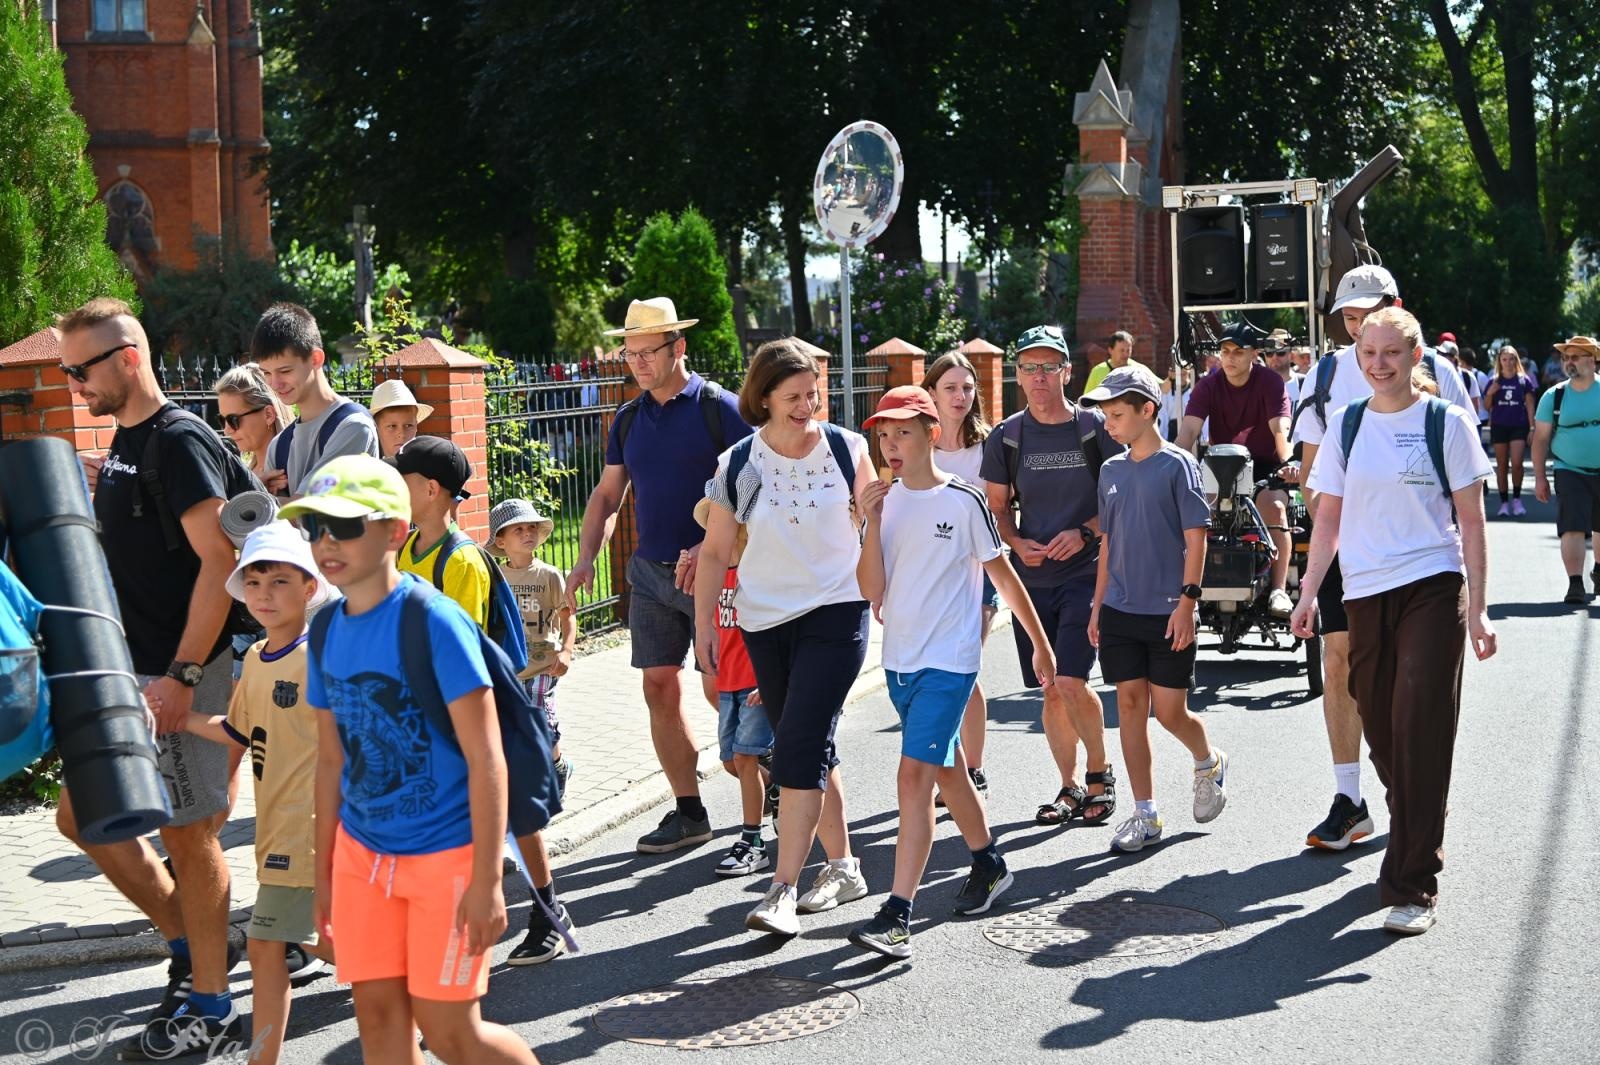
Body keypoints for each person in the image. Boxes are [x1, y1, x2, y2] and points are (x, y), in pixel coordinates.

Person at [289, 456, 540, 1065]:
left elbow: (486, 759)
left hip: (445, 861)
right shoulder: (323, 631)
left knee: (452, 1034)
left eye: (345, 526)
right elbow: (330, 763)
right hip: (361, 861)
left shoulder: (433, 620)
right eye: (315, 527)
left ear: (394, 532)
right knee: (377, 1022)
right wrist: (323, 876)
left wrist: (486, 881)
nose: (327, 542)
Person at [56, 298, 245, 1058]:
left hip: (185, 669)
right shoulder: (130, 441)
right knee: (82, 817)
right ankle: (192, 943)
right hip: (133, 671)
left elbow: (222, 560)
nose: (74, 384)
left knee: (188, 829)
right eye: (66, 370)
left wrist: (182, 674)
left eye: (83, 368)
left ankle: (215, 1003)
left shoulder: (180, 440)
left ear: (128, 357)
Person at [1291, 307, 1496, 935]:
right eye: (1369, 354)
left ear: (1416, 357)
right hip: (1364, 591)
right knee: (1381, 724)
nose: (1380, 365)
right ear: (1358, 358)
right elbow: (1327, 517)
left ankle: (1412, 883)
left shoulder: (1447, 423)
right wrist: (1306, 591)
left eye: (1392, 354)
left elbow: (1471, 522)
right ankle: (1414, 804)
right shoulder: (1347, 426)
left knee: (1418, 721)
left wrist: (1480, 608)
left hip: (1434, 585)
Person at [848, 387, 1056, 959]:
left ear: (931, 434)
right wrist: (867, 522)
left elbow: (1005, 578)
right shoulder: (881, 502)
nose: (891, 445)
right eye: (883, 434)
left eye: (904, 433)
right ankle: (989, 863)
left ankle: (896, 914)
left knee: (913, 778)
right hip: (900, 663)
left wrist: (1039, 644)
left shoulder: (963, 501)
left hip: (950, 660)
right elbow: (873, 591)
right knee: (947, 771)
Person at [693, 339, 875, 938]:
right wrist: (705, 636)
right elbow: (716, 551)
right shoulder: (740, 463)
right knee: (809, 739)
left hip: (837, 612)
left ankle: (782, 890)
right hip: (764, 622)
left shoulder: (849, 450)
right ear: (764, 397)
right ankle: (844, 866)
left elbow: (875, 530)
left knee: (797, 742)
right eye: (793, 397)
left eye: (813, 394)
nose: (807, 406)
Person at [567, 297, 753, 854]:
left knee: (724, 689)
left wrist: (707, 544)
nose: (639, 363)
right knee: (656, 686)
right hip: (649, 573)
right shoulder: (627, 419)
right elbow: (606, 496)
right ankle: (689, 811)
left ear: (680, 348)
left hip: (716, 575)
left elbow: (754, 486)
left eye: (649, 352)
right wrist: (585, 560)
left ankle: (761, 798)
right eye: (631, 353)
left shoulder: (719, 408)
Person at [178, 522, 334, 1065]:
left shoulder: (321, 657)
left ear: (310, 587)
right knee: (304, 946)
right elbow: (239, 730)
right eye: (255, 582)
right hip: (275, 834)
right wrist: (181, 717)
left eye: (280, 582)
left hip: (314, 835)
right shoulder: (259, 659)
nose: (264, 594)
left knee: (272, 948)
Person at [981, 325, 1121, 829]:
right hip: (1031, 582)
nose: (1039, 378)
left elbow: (1120, 502)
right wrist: (1016, 542)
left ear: (1067, 371)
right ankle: (1069, 787)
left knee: (1071, 679)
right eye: (1029, 368)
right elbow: (996, 509)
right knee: (1049, 688)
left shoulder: (1094, 429)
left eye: (1048, 367)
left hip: (1085, 574)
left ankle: (1101, 774)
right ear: (1018, 376)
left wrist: (1084, 533)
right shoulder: (1006, 437)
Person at [1085, 367, 1229, 853]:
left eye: (1118, 414)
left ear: (1149, 411)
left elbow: (1196, 538)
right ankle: (1144, 813)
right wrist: (1097, 605)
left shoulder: (1178, 466)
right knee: (1128, 706)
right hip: (1120, 610)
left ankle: (1207, 760)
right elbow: (1108, 544)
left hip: (1170, 610)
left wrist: (1188, 601)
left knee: (1169, 713)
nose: (1109, 424)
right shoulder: (1110, 471)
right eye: (1105, 415)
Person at [481, 498, 581, 965]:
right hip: (509, 674)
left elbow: (568, 613)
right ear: (500, 541)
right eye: (515, 530)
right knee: (534, 738)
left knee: (543, 727)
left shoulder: (549, 576)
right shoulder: (494, 577)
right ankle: (550, 766)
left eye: (531, 529)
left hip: (541, 666)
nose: (526, 536)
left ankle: (553, 766)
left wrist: (568, 649)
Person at [1177, 320, 1294, 617]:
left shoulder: (1270, 382)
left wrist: (1290, 462)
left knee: (1275, 509)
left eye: (1238, 351)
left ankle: (1278, 590)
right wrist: (1169, 464)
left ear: (1254, 353)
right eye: (1225, 350)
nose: (1230, 357)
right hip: (1220, 467)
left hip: (1265, 467)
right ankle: (1191, 587)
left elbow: (1280, 430)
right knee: (1196, 513)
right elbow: (1188, 433)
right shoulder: (1208, 385)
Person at [921, 352, 998, 796]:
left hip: (975, 571)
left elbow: (999, 509)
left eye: (967, 388)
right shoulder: (918, 442)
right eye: (950, 387)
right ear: (931, 392)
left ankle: (971, 769)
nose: (960, 396)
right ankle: (942, 764)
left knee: (963, 671)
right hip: (927, 574)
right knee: (934, 671)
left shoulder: (988, 444)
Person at [692, 497, 775, 878]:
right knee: (732, 762)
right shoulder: (713, 576)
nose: (716, 532)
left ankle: (753, 840)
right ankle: (779, 785)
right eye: (711, 524)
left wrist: (770, 678)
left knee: (744, 758)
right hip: (728, 683)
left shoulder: (757, 572)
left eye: (723, 523)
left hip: (755, 681)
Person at [251, 302, 379, 497]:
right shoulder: (278, 447)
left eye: (284, 371)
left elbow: (306, 511)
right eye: (266, 373)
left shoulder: (353, 426)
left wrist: (258, 499)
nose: (275, 384)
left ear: (316, 359)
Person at [1532, 335, 1600, 605]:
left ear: (1593, 360)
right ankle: (1575, 583)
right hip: (1569, 469)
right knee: (1572, 527)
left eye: (1575, 357)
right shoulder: (1554, 396)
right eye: (1565, 358)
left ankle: (1598, 568)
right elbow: (1540, 439)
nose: (1568, 362)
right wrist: (1539, 477)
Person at [215, 363, 294, 480]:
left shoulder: (297, 466)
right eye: (222, 420)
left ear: (269, 415)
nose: (227, 431)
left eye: (233, 420)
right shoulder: (240, 474)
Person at [1485, 345, 1538, 516]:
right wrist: (1490, 394)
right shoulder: (1494, 381)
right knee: (1501, 465)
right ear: (1499, 361)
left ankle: (1517, 499)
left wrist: (1532, 428)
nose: (1508, 363)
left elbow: (1530, 406)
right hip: (1499, 426)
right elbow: (1487, 407)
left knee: (1516, 463)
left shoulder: (1524, 381)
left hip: (1519, 426)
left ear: (1517, 360)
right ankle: (1504, 503)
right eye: (1504, 359)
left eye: (1511, 359)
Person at [369, 378, 434, 459]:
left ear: (416, 426)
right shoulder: (368, 470)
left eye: (408, 425)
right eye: (392, 426)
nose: (402, 434)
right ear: (376, 429)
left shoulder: (430, 468)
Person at [1084, 330, 1158, 394]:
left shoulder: (1139, 369)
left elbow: (1161, 387)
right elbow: (1087, 399)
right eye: (1122, 350)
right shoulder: (1097, 371)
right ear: (1110, 350)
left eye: (1128, 350)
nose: (1125, 354)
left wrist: (1169, 378)